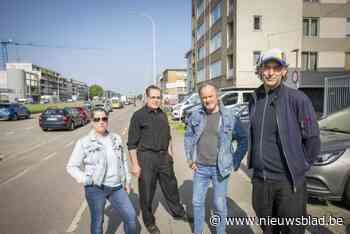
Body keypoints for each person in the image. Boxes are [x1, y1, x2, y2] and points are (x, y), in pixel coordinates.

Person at [248, 48, 321, 234]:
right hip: (261, 181)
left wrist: (300, 166)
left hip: (288, 183)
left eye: (276, 67)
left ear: (284, 71)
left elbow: (312, 138)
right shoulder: (255, 98)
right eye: (266, 67)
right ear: (260, 70)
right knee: (267, 229)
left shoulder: (298, 99)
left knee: (291, 229)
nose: (271, 72)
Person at [184, 83, 248, 234]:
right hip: (200, 167)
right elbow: (188, 137)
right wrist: (189, 159)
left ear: (217, 96)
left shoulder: (230, 117)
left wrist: (235, 161)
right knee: (197, 202)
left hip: (220, 169)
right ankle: (197, 231)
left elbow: (243, 140)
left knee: (219, 204)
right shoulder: (196, 115)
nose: (207, 100)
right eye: (204, 97)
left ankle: (220, 231)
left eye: (210, 96)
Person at [127, 85, 188, 234]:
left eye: (158, 97)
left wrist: (170, 153)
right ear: (147, 98)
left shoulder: (162, 114)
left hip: (163, 158)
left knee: (171, 187)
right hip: (146, 158)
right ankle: (149, 222)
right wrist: (135, 165)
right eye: (153, 97)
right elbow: (131, 144)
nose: (156, 100)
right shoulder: (138, 116)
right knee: (147, 192)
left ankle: (178, 213)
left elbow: (168, 136)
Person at [66, 107, 136, 234]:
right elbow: (71, 166)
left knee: (131, 217)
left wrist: (127, 181)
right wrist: (86, 179)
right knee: (98, 222)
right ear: (92, 122)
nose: (101, 122)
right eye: (97, 119)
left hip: (117, 187)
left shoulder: (116, 139)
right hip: (95, 188)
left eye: (104, 118)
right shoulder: (84, 142)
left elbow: (123, 161)